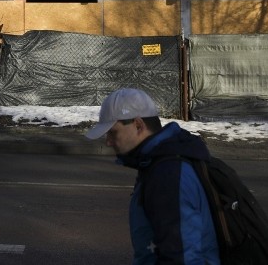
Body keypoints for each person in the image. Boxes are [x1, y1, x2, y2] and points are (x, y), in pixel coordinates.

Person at [85, 88, 220, 264]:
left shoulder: (168, 174)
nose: (108, 142)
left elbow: (183, 257)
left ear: (138, 125)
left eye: (113, 132)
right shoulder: (155, 163)